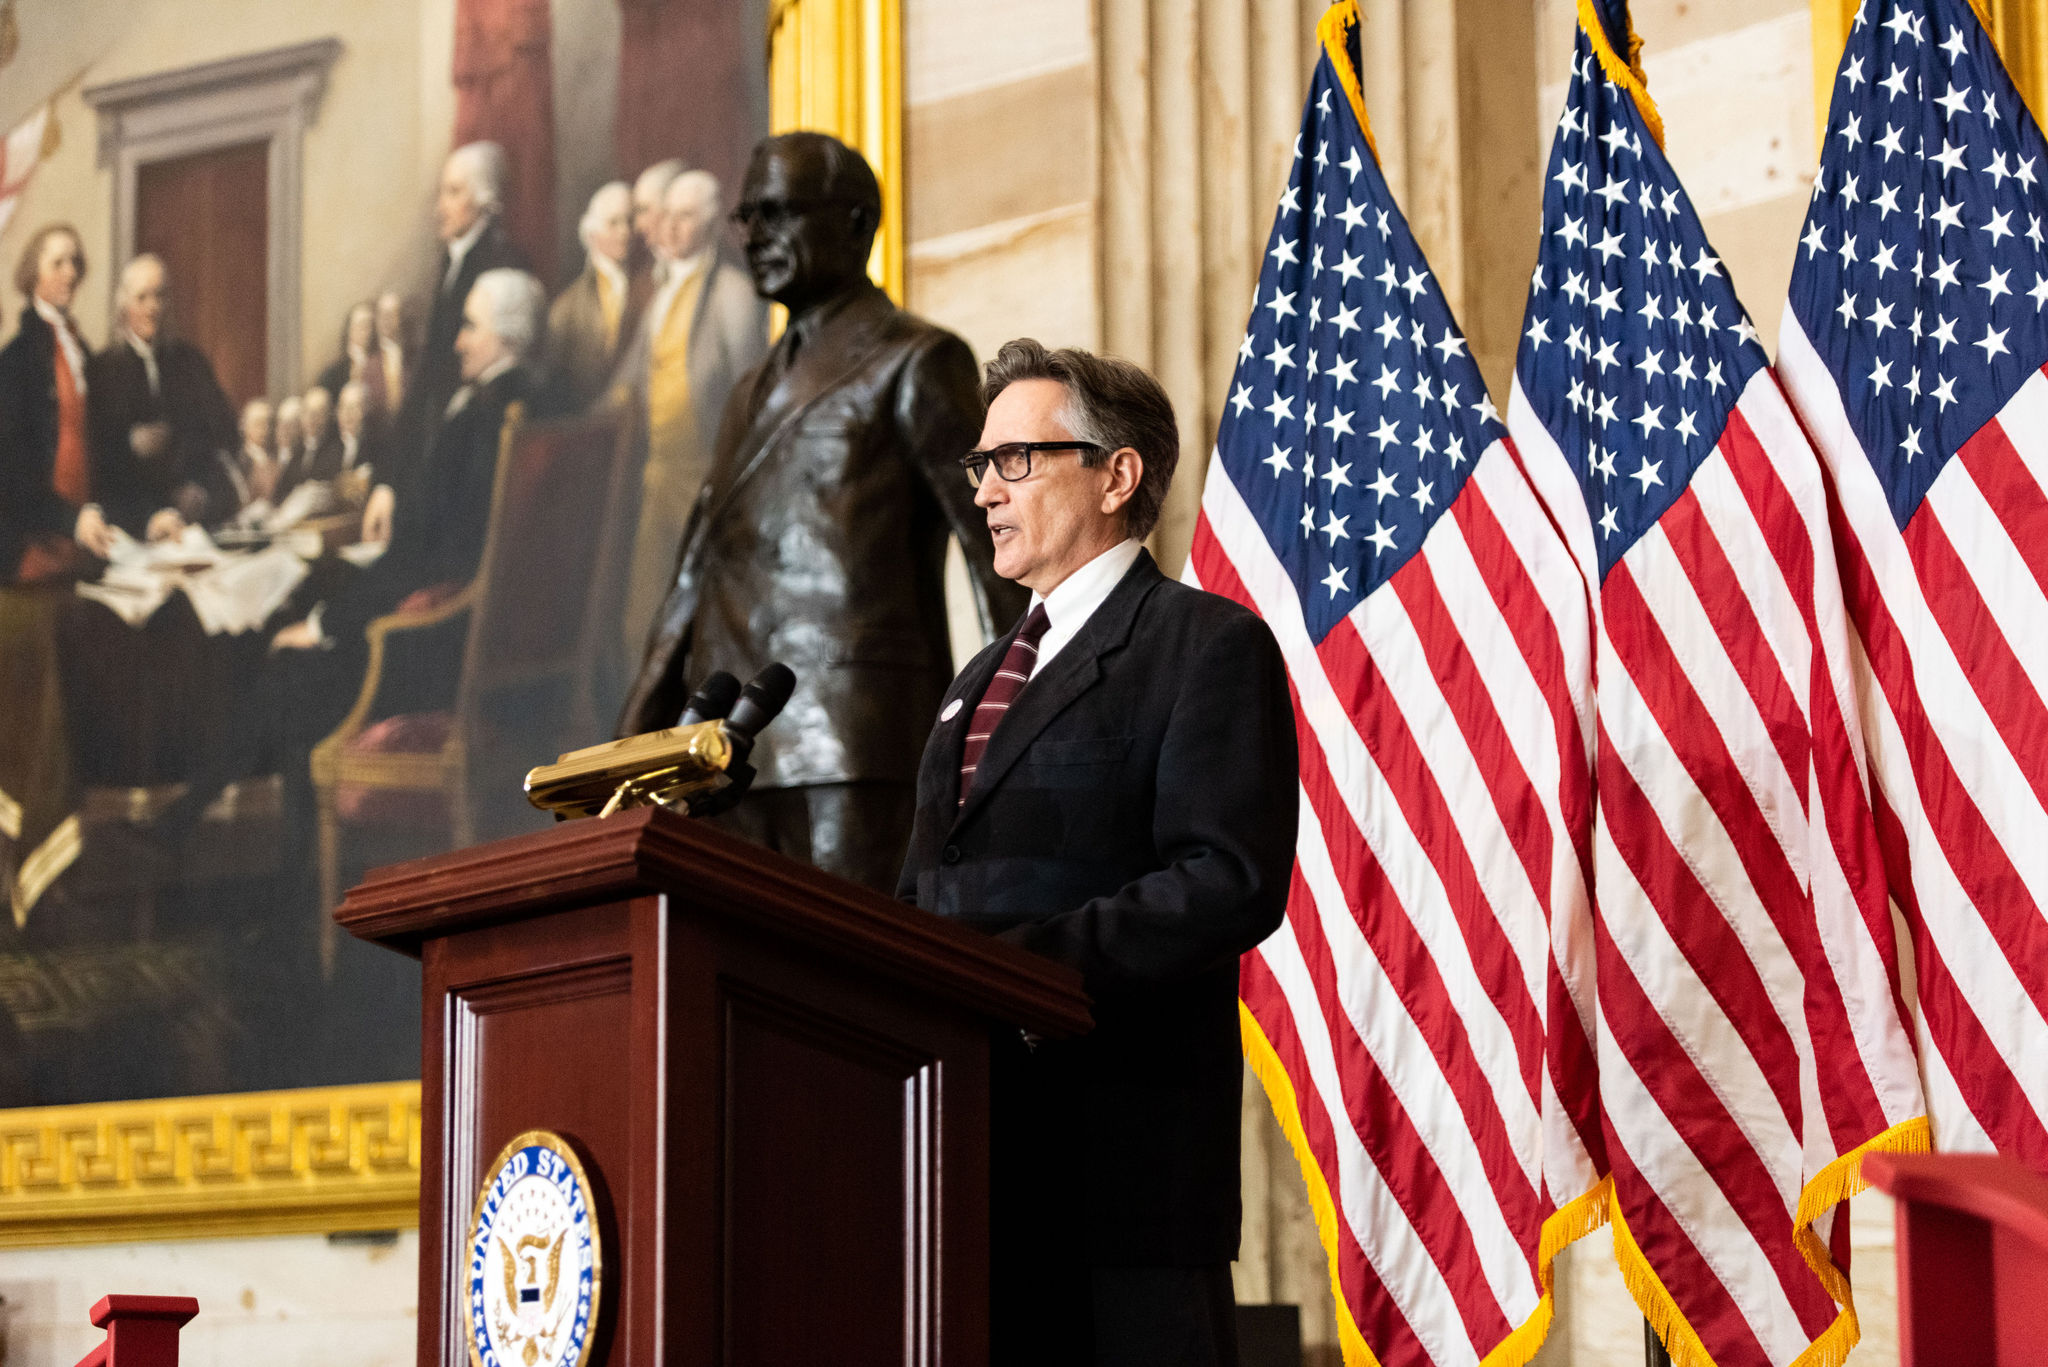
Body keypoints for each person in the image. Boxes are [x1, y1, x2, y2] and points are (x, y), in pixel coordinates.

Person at [898, 340, 1297, 1366]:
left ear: (1116, 474)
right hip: (967, 1166)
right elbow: (920, 894)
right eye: (979, 465)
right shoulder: (974, 679)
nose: (985, 489)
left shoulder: (1202, 644)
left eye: (1015, 460)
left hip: (1125, 1178)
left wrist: (1015, 974)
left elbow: (1225, 879)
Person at [619, 131, 1023, 892]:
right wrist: (633, 744)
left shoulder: (916, 358)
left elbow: (999, 552)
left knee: (856, 988)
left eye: (778, 213)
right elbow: (696, 570)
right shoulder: (746, 391)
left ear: (856, 222)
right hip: (726, 754)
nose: (755, 236)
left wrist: (1018, 736)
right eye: (747, 218)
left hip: (856, 740)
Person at [612, 168, 765, 653]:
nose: (670, 228)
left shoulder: (733, 295)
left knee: (708, 609)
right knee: (642, 614)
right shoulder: (664, 294)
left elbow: (749, 390)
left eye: (684, 217)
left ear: (708, 225)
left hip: (708, 479)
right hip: (660, 477)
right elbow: (628, 382)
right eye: (668, 216)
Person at [85, 252, 238, 536]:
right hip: (133, 526)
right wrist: (129, 442)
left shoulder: (191, 362)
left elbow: (224, 436)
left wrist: (201, 490)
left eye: (160, 296)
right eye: (142, 298)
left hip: (194, 524)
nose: (152, 307)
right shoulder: (102, 369)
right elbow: (99, 462)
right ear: (124, 305)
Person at [0, 223, 114, 581]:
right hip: (34, 545)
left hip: (87, 541)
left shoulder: (83, 353)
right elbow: (11, 471)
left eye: (75, 262)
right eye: (58, 263)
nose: (71, 273)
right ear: (34, 274)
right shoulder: (16, 360)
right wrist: (68, 519)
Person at [403, 142, 527, 450]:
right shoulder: (452, 260)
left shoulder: (502, 261)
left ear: (483, 199)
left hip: (475, 429)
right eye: (442, 192)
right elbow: (431, 365)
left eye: (454, 192)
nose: (440, 207)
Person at [548, 180, 645, 412]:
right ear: (593, 234)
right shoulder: (568, 305)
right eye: (613, 223)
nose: (624, 232)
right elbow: (555, 377)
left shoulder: (647, 285)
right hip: (587, 418)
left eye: (629, 222)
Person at [316, 301, 392, 419]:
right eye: (362, 325)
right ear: (350, 330)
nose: (369, 331)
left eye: (371, 326)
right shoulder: (333, 373)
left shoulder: (383, 365)